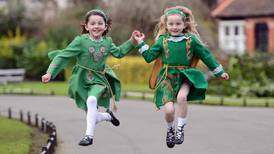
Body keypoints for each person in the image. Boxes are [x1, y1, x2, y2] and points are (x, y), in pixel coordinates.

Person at [133, 6, 229, 148]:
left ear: (184, 25)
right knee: (170, 110)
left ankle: (180, 129)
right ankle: (170, 129)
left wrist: (219, 72)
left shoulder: (192, 40)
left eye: (178, 24)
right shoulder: (162, 41)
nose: (174, 27)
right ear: (166, 25)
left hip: (186, 76)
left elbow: (206, 56)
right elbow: (149, 57)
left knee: (182, 97)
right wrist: (141, 43)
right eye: (171, 24)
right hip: (167, 78)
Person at [41, 9, 137, 146]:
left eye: (100, 23)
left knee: (92, 100)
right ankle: (107, 116)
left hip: (99, 79)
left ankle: (88, 136)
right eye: (92, 23)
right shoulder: (80, 41)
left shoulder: (108, 42)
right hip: (81, 79)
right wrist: (49, 72)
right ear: (87, 26)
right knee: (91, 116)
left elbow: (120, 53)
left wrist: (132, 41)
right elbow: (63, 55)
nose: (96, 26)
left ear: (105, 27)